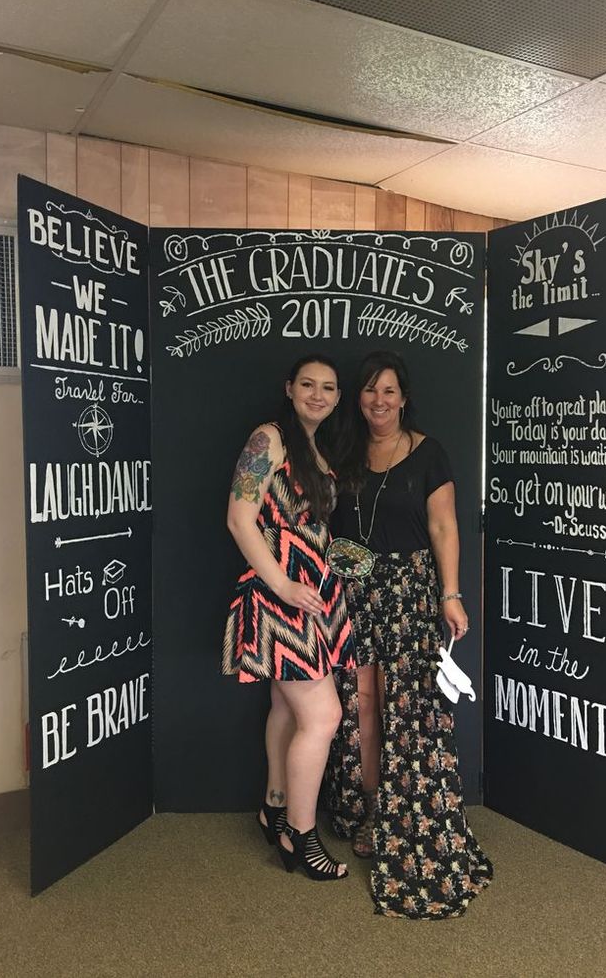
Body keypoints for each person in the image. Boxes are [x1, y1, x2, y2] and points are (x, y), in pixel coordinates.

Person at [326, 350, 493, 917]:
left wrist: (452, 595)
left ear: (404, 397)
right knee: (363, 705)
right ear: (359, 397)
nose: (379, 402)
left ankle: (408, 816)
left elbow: (446, 527)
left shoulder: (429, 453)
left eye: (390, 392)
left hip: (411, 594)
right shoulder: (342, 452)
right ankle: (376, 812)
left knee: (412, 710)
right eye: (371, 391)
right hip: (354, 593)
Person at [222, 354, 354, 882]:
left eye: (328, 387)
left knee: (284, 704)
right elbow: (239, 517)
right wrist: (281, 584)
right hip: (282, 597)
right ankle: (300, 836)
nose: (317, 394)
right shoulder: (269, 438)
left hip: (310, 594)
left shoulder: (313, 445)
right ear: (290, 388)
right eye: (307, 384)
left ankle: (274, 806)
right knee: (323, 718)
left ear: (338, 396)